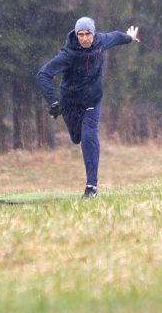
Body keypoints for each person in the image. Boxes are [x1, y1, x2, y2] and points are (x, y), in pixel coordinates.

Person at [36, 16, 140, 198]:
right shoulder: (68, 54)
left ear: (93, 34)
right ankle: (89, 176)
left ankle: (91, 186)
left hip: (92, 100)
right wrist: (53, 102)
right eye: (80, 35)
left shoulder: (101, 42)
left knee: (89, 135)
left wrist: (129, 38)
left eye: (87, 34)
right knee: (77, 138)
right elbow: (43, 74)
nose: (84, 38)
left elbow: (116, 36)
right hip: (70, 102)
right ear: (76, 36)